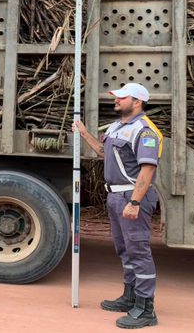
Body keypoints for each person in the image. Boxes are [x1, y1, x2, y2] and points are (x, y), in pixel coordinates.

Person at [73, 83, 161, 329]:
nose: (116, 100)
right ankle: (130, 297)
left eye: (122, 97)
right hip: (115, 197)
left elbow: (148, 168)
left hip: (131, 197)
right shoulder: (117, 127)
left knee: (139, 251)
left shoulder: (144, 131)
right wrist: (84, 133)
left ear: (137, 102)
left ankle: (146, 309)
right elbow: (104, 152)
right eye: (116, 96)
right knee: (125, 250)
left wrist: (134, 201)